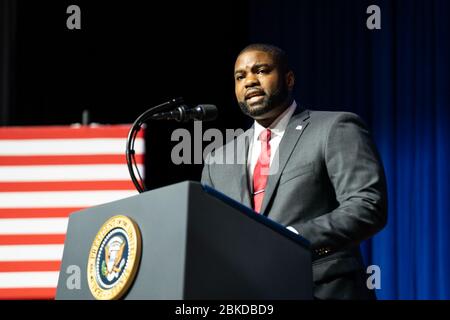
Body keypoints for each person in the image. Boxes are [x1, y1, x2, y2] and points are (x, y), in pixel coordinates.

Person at [201, 43, 387, 300]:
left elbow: (368, 206)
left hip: (322, 288)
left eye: (261, 70)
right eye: (240, 77)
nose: (250, 81)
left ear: (288, 79)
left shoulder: (334, 127)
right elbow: (211, 237)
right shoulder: (218, 160)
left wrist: (293, 239)